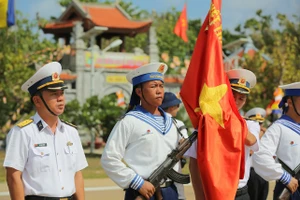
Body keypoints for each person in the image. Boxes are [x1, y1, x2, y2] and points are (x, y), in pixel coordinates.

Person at [3, 62, 88, 200]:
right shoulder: (23, 132)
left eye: (62, 93)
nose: (60, 98)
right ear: (37, 100)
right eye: (54, 94)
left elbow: (77, 174)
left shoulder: (71, 132)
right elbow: (13, 176)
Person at [101, 62, 182, 200]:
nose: (159, 91)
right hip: (142, 192)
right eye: (153, 86)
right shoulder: (129, 121)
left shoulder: (173, 123)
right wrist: (137, 183)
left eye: (161, 86)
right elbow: (109, 159)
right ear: (139, 92)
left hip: (170, 192)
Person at [184, 68, 260, 200]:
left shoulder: (250, 125)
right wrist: (199, 195)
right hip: (213, 191)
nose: (236, 101)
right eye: (232, 96)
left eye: (241, 98)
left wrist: (231, 119)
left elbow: (251, 141)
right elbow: (194, 164)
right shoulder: (206, 124)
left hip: (240, 192)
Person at [252, 82, 300, 199]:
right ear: (290, 103)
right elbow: (260, 155)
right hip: (290, 190)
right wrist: (284, 176)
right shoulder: (278, 127)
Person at [160, 92, 189, 200]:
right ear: (172, 107)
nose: (178, 109)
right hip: (173, 166)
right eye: (177, 106)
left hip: (157, 168)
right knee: (179, 193)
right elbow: (186, 146)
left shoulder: (152, 122)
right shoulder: (178, 124)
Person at [244, 107, 269, 200]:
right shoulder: (248, 137)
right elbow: (250, 151)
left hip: (263, 173)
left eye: (260, 123)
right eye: (256, 123)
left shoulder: (265, 136)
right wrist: (259, 136)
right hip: (252, 174)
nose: (259, 126)